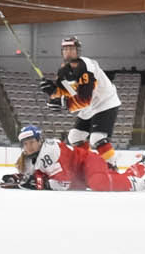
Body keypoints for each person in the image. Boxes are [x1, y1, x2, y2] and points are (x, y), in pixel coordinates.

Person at [3, 125, 145, 193]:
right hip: (80, 174)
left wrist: (39, 183)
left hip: (87, 162)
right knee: (116, 180)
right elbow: (39, 176)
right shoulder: (27, 159)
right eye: (25, 144)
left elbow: (64, 182)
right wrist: (19, 179)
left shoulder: (49, 151)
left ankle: (142, 185)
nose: (29, 147)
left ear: (40, 140)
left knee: (99, 183)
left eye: (32, 142)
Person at [43, 36, 123, 164]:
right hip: (90, 107)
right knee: (75, 137)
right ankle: (87, 165)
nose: (68, 52)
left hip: (105, 103)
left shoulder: (86, 66)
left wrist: (63, 102)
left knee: (97, 138)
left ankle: (112, 167)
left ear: (78, 51)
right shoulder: (63, 71)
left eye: (71, 48)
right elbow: (69, 92)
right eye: (65, 49)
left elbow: (84, 98)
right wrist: (53, 93)